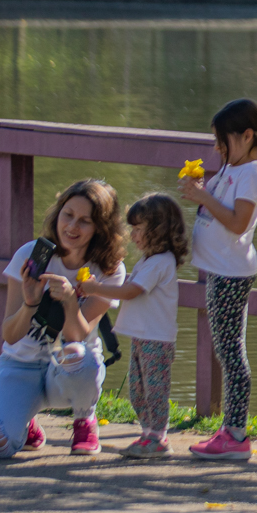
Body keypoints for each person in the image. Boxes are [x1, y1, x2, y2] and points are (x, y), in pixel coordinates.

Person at [0, 179, 127, 459]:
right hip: (21, 364)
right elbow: (9, 335)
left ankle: (84, 421)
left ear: (100, 228)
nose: (72, 227)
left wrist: (71, 302)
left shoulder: (109, 269)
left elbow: (78, 335)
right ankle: (24, 419)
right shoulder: (32, 254)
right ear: (58, 212)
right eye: (68, 215)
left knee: (78, 353)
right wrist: (30, 302)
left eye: (85, 221)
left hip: (70, 368)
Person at [183, 97, 257, 461]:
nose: (218, 147)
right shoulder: (232, 168)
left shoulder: (252, 173)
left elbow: (238, 223)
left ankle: (236, 433)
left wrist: (203, 194)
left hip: (230, 273)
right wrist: (201, 191)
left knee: (230, 352)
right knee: (226, 348)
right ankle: (230, 429)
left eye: (224, 140)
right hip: (220, 271)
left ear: (247, 135)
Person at [82, 194, 189, 459]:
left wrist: (97, 288)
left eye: (139, 229)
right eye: (133, 228)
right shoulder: (147, 261)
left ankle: (159, 437)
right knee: (137, 388)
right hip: (143, 337)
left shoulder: (161, 262)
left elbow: (131, 291)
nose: (133, 235)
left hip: (156, 338)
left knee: (155, 389)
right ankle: (148, 432)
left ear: (159, 231)